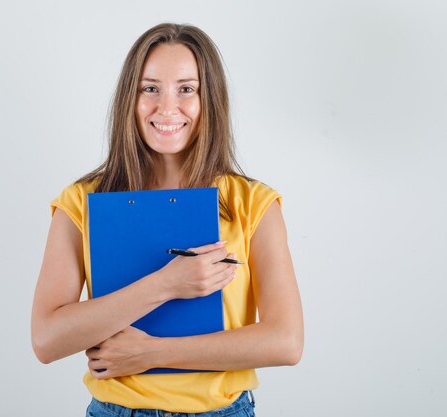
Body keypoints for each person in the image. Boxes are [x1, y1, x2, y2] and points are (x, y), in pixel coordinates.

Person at [31, 23, 303, 416]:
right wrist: (167, 284)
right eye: (150, 88)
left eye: (186, 89)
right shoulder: (82, 201)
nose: (167, 107)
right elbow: (47, 339)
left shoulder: (253, 203)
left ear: (209, 98)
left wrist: (151, 354)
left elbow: (286, 341)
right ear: (131, 97)